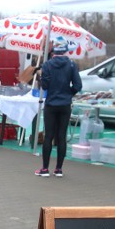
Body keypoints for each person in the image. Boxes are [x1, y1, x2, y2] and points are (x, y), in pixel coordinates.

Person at [36, 39, 82, 178]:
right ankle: (59, 169)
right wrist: (69, 93)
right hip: (65, 104)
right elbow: (78, 85)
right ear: (65, 51)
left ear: (53, 51)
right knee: (61, 137)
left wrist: (41, 77)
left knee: (48, 136)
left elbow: (45, 86)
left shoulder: (47, 65)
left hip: (51, 103)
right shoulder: (72, 64)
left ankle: (45, 169)